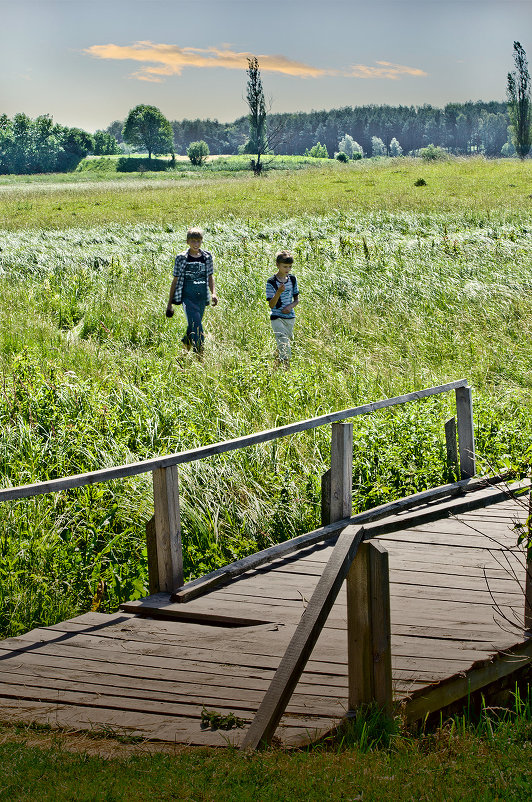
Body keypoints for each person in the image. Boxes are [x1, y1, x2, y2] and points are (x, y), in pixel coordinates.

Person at [166, 228, 218, 354]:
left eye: (199, 241)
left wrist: (214, 293)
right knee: (197, 327)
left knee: (193, 326)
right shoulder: (181, 258)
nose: (196, 244)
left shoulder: (207, 256)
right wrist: (170, 303)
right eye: (193, 241)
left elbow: (210, 276)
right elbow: (176, 280)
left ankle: (183, 353)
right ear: (187, 242)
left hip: (202, 297)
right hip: (187, 297)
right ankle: (200, 355)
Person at [266, 250, 299, 367]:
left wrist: (290, 306)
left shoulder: (293, 279)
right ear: (277, 265)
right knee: (284, 344)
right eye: (285, 266)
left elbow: (296, 300)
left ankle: (275, 363)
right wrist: (279, 292)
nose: (288, 269)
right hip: (277, 317)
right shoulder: (271, 282)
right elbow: (271, 304)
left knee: (284, 343)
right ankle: (286, 369)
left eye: (290, 267)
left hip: (290, 317)